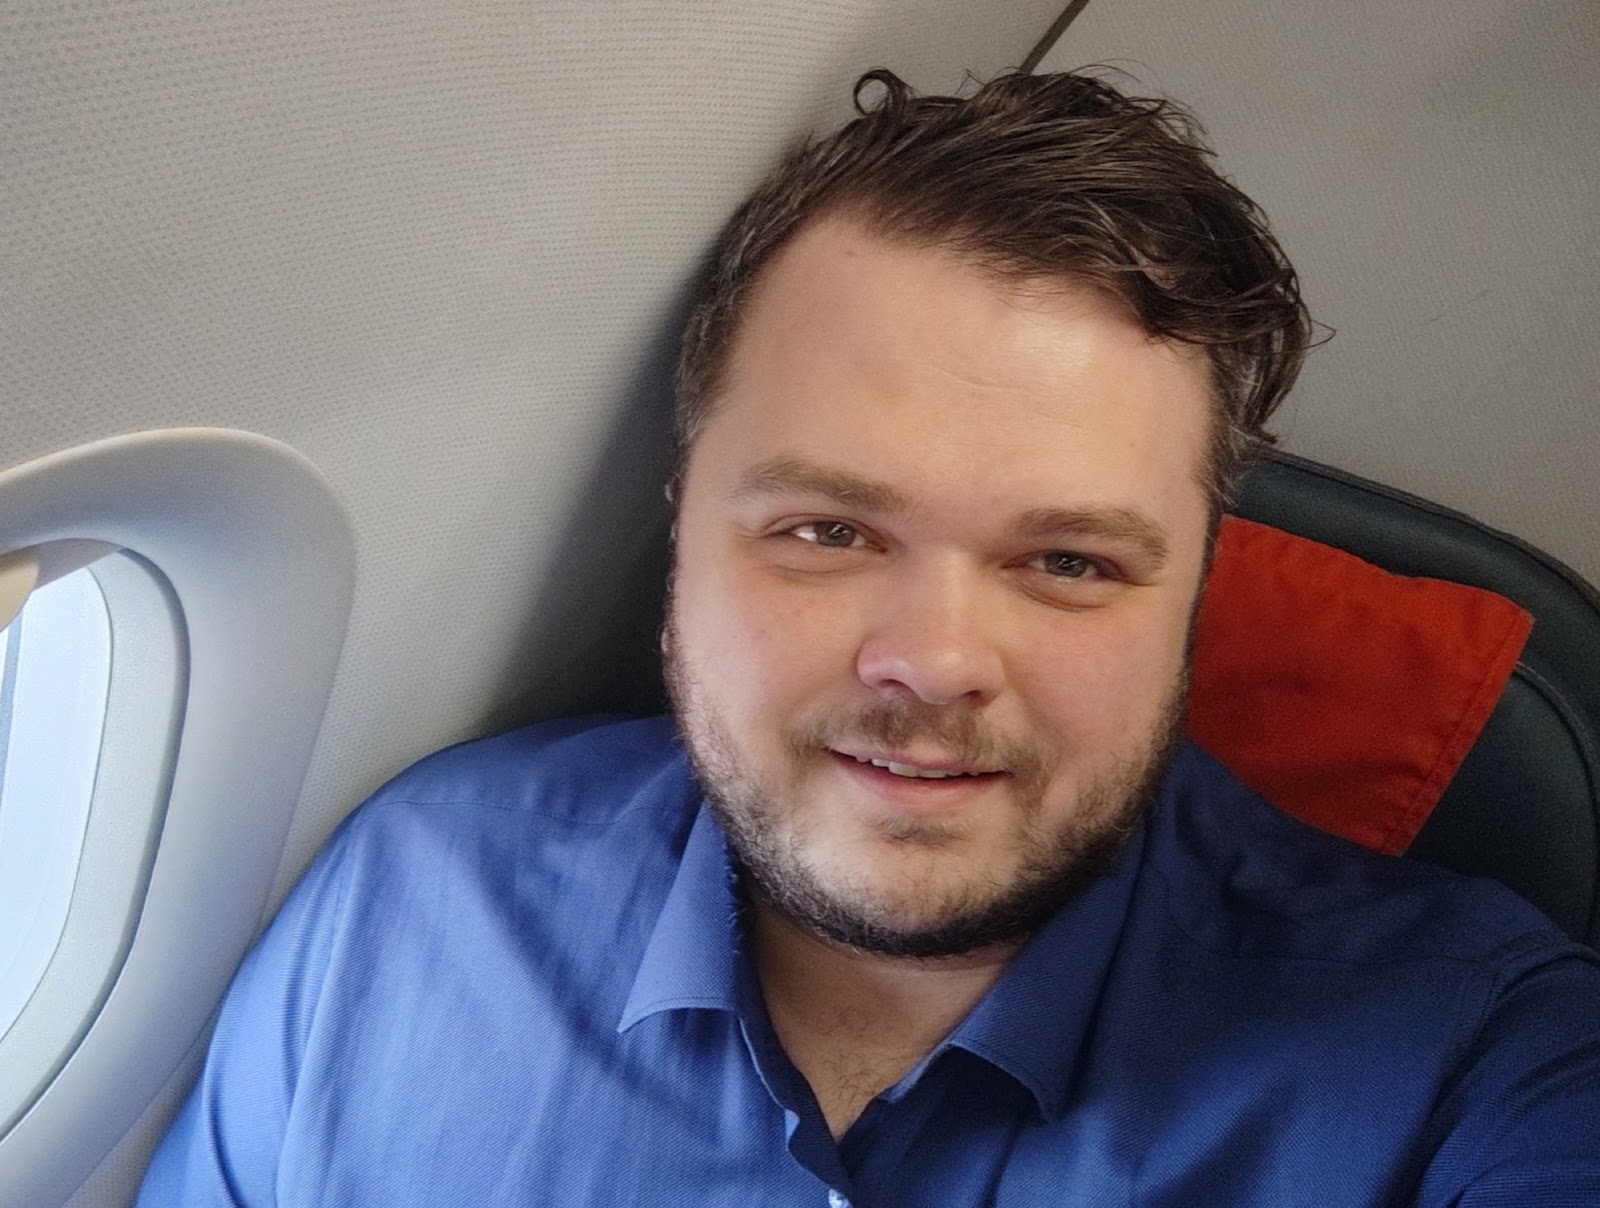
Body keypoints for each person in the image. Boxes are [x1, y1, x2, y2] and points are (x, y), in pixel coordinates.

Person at [140, 69, 1600, 1206]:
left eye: (1070, 561)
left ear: (1196, 596)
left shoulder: (1477, 1062)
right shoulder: (412, 902)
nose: (935, 660)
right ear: (682, 523)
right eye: (828, 531)